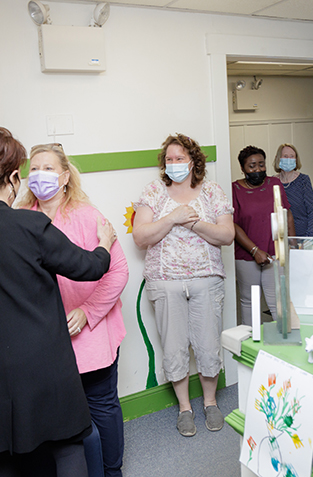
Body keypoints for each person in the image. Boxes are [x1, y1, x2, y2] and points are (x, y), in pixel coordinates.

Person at [0, 127, 117, 477]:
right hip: (45, 367)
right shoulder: (30, 224)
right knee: (66, 448)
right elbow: (88, 268)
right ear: (15, 177)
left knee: (3, 458)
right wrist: (104, 244)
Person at [15, 143, 128, 477]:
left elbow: (118, 271)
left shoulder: (89, 216)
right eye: (34, 169)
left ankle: (112, 470)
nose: (39, 175)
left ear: (65, 176)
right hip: (45, 337)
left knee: (102, 405)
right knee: (56, 414)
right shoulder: (21, 221)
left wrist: (88, 312)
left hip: (92, 333)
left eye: (48, 168)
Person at [132, 133, 234, 438]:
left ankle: (211, 402)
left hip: (206, 280)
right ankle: (185, 408)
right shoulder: (153, 193)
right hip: (165, 282)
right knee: (174, 347)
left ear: (194, 161)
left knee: (207, 345)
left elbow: (226, 235)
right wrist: (173, 218)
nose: (174, 163)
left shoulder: (212, 192)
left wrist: (194, 223)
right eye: (170, 159)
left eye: (181, 158)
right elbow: (141, 236)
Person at [232, 145, 296, 326]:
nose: (257, 169)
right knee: (249, 301)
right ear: (243, 168)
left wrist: (292, 241)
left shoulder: (274, 184)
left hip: (275, 251)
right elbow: (233, 224)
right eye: (252, 166)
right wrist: (254, 250)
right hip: (247, 254)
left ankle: (284, 343)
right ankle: (251, 343)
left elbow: (287, 212)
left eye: (261, 164)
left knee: (277, 301)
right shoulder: (235, 189)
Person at [274, 143, 313, 237]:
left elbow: (311, 211)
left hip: (304, 234)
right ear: (278, 158)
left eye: (292, 156)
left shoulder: (303, 180)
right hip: (282, 234)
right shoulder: (273, 181)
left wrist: (309, 236)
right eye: (285, 156)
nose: (289, 159)